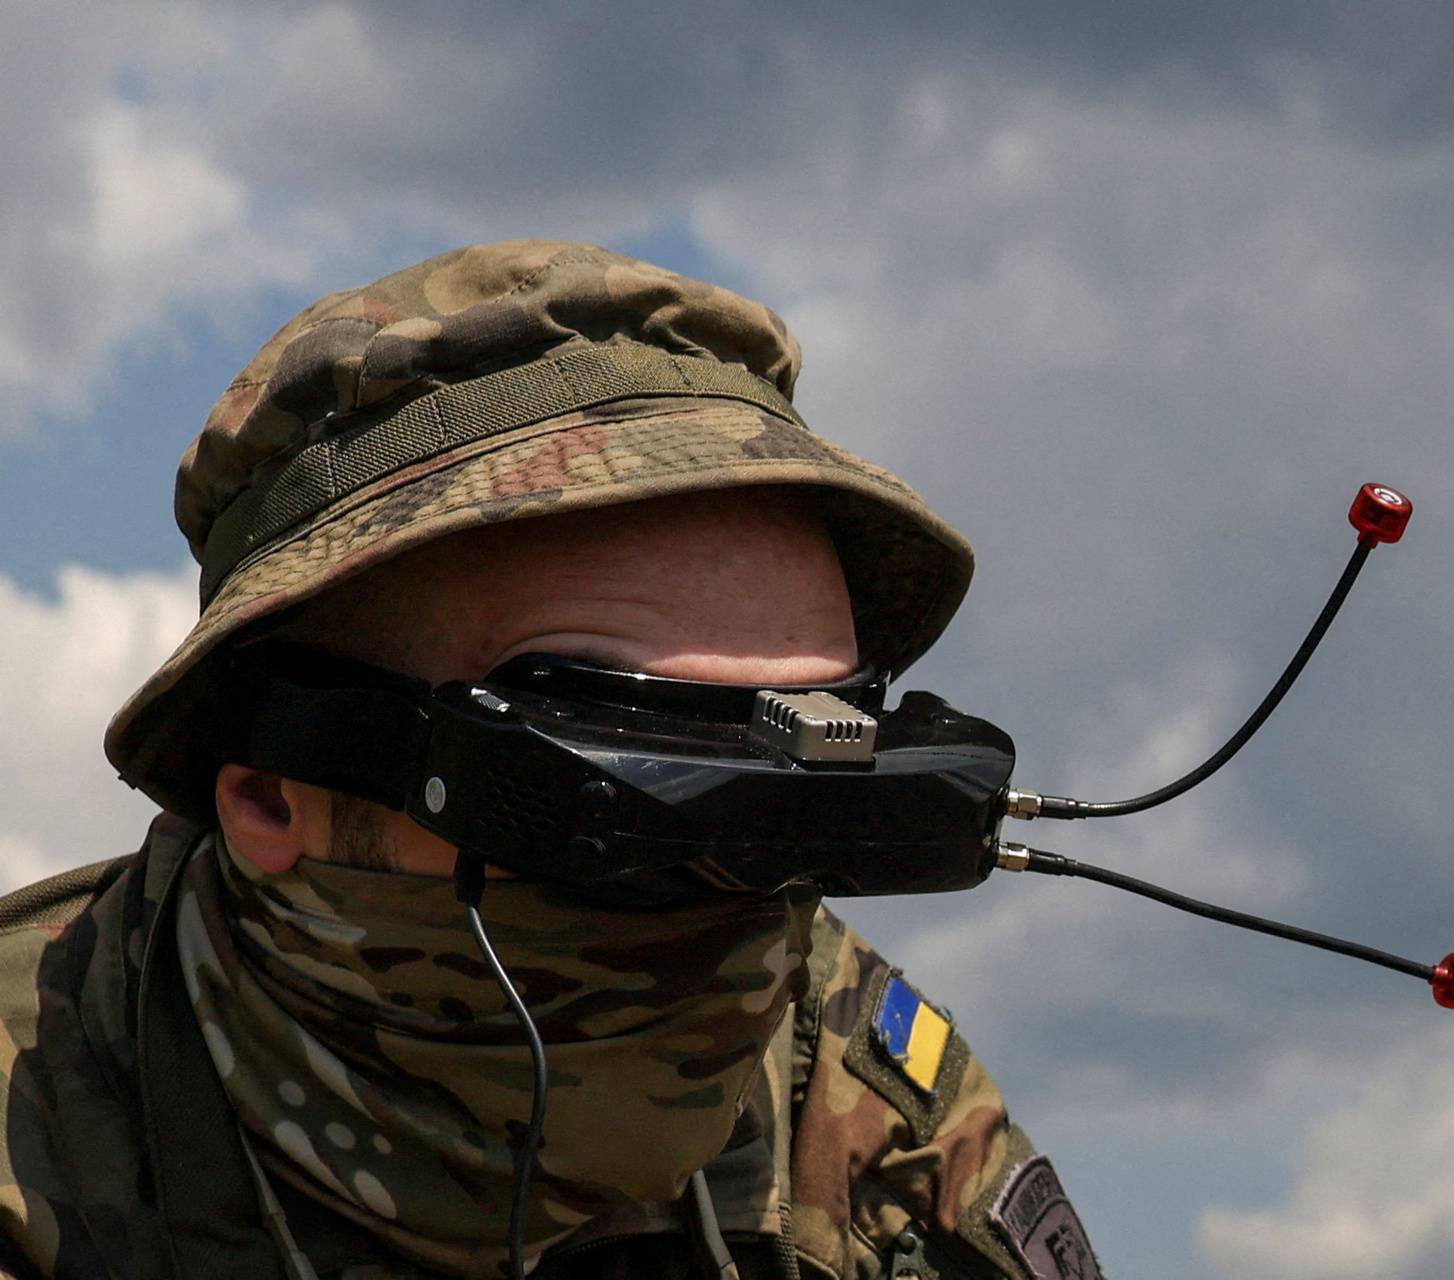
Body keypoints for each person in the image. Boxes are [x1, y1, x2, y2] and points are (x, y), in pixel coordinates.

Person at [0, 242, 1102, 1279]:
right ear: (271, 792)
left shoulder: (856, 1113)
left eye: (801, 804)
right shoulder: (38, 1132)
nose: (740, 893)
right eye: (622, 800)